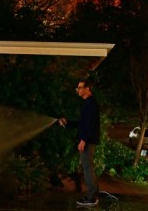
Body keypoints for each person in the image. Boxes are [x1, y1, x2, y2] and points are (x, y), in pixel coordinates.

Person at [59, 79, 100, 207]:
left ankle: (92, 198)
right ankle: (94, 196)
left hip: (87, 141)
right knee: (88, 168)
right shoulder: (88, 103)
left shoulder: (90, 104)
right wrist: (68, 123)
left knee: (88, 169)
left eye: (80, 87)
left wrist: (83, 140)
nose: (78, 89)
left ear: (88, 89)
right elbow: (82, 123)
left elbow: (89, 125)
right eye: (77, 87)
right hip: (88, 140)